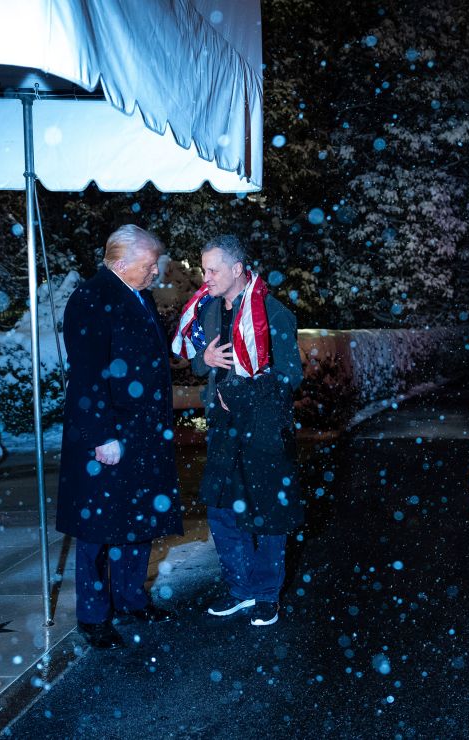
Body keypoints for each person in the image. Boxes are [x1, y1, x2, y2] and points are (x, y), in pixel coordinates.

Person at [57, 224, 182, 650]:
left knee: (138, 517)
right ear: (122, 262)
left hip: (143, 432)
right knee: (97, 527)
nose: (154, 274)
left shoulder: (137, 293)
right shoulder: (92, 298)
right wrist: (101, 436)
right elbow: (88, 374)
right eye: (149, 266)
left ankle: (130, 598)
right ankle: (94, 616)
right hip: (109, 434)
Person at [172, 235, 304, 627]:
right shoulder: (209, 310)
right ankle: (241, 588)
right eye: (203, 268)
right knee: (223, 509)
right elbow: (196, 361)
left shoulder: (273, 312)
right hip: (222, 428)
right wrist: (205, 359)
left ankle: (266, 594)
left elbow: (290, 376)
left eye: (212, 269)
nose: (205, 277)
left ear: (236, 269)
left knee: (267, 513)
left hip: (263, 430)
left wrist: (243, 394)